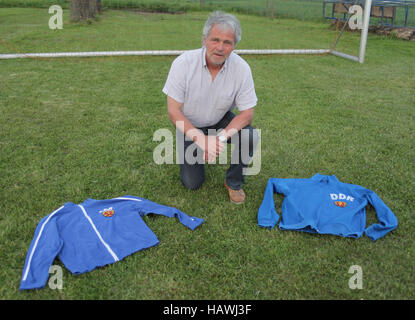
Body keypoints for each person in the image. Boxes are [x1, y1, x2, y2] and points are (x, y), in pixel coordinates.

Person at [162, 11, 259, 204]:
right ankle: (193, 151)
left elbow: (247, 114)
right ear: (204, 40)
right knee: (192, 183)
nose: (220, 47)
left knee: (250, 135)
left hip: (219, 121)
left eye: (227, 42)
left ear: (234, 46)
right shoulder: (183, 63)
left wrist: (218, 139)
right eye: (215, 40)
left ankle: (234, 182)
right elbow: (173, 110)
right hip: (190, 124)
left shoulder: (242, 69)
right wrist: (200, 139)